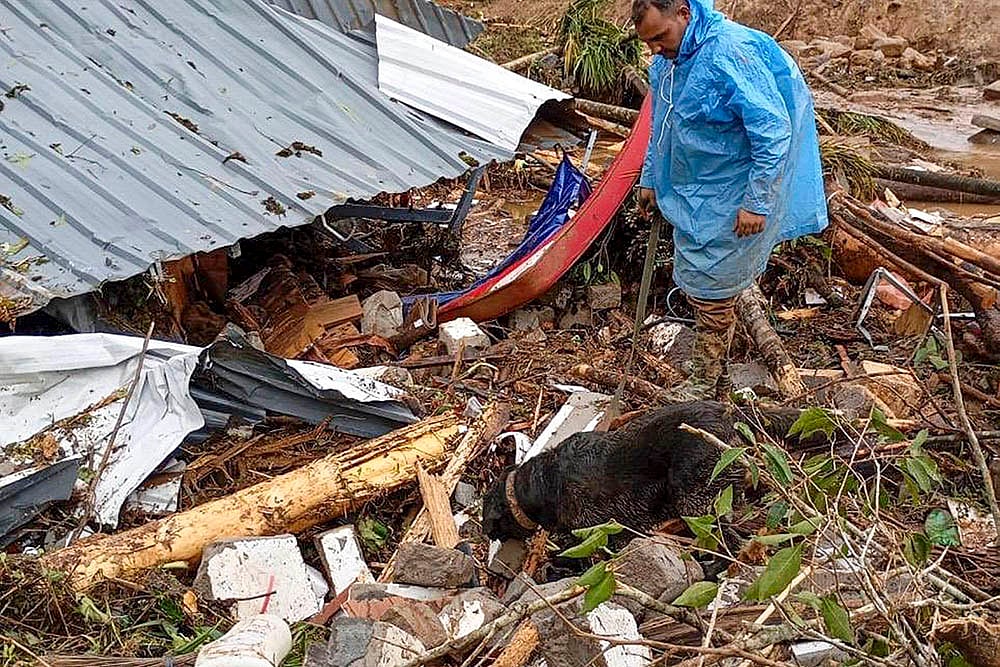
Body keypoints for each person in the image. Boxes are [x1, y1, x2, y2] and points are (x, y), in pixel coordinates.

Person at [632, 0, 828, 400]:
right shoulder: (668, 66)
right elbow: (661, 125)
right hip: (692, 191)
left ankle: (703, 383)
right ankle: (717, 380)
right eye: (647, 41)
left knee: (714, 290)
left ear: (683, 13)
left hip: (730, 193)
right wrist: (651, 178)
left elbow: (773, 132)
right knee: (700, 281)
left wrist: (757, 202)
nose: (653, 48)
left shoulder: (729, 52)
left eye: (659, 36)